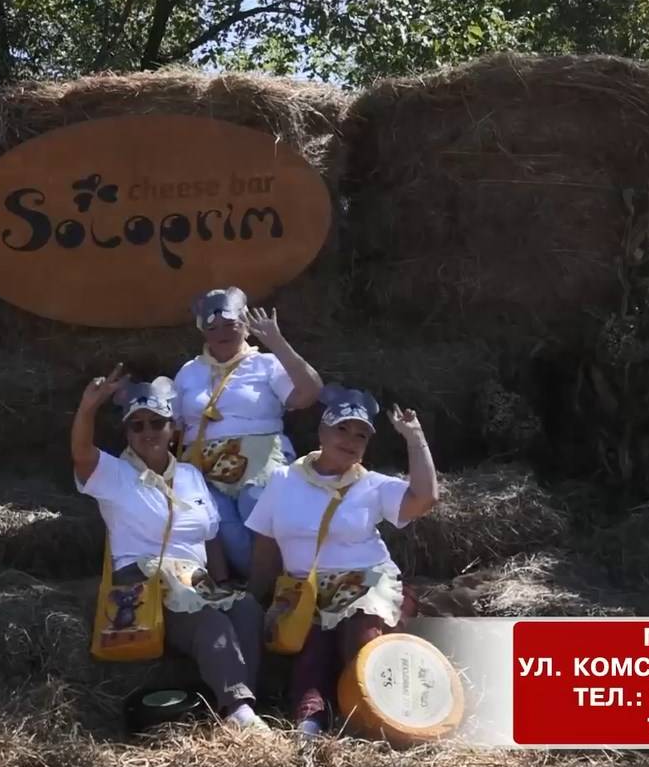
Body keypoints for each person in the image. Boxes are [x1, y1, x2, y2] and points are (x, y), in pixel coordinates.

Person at [71, 364, 270, 732]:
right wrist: (88, 408)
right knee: (209, 622)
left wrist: (222, 583)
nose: (148, 431)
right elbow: (82, 454)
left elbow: (211, 535)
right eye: (137, 425)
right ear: (127, 433)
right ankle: (237, 709)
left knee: (246, 609)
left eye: (157, 422)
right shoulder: (114, 474)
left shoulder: (191, 475)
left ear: (173, 428)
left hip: (195, 579)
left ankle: (243, 705)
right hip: (143, 579)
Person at [245, 385, 440, 739]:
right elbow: (265, 543)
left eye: (361, 435)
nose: (350, 440)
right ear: (322, 432)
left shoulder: (372, 485)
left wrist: (415, 439)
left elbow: (424, 498)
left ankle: (377, 718)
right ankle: (311, 720)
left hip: (364, 583)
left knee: (361, 637)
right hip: (305, 592)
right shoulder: (283, 480)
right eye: (342, 429)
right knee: (313, 645)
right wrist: (257, 597)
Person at [173, 287, 323, 581]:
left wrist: (277, 342)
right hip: (204, 464)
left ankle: (280, 583)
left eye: (230, 324)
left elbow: (310, 392)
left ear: (245, 325)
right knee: (220, 525)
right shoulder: (188, 372)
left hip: (258, 458)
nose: (222, 333)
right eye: (212, 327)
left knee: (257, 508)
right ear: (202, 332)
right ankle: (256, 587)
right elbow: (173, 425)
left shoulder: (266, 363)